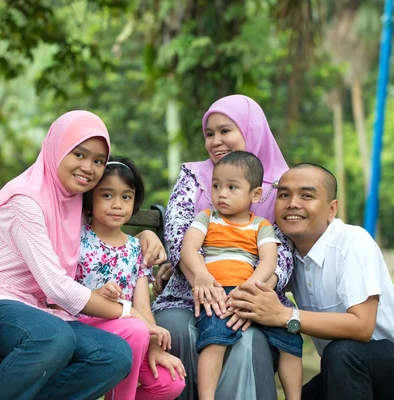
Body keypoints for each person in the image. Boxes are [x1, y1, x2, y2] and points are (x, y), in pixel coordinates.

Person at [0, 111, 167, 400]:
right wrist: (129, 312)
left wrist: (144, 236)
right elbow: (55, 286)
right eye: (79, 154)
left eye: (98, 161)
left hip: (35, 312)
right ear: (57, 149)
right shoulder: (25, 201)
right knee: (52, 338)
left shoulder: (71, 201)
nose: (88, 167)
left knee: (113, 354)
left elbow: (105, 236)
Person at [228, 163, 394, 400]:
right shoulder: (285, 255)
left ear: (331, 209)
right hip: (346, 367)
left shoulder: (352, 242)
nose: (293, 203)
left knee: (342, 352)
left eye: (307, 195)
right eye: (284, 194)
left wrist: (284, 316)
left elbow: (362, 327)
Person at [152, 94, 293, 400]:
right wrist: (202, 279)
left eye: (225, 130)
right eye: (209, 133)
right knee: (175, 328)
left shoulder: (281, 185)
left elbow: (282, 254)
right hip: (187, 293)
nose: (216, 141)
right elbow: (178, 234)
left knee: (249, 339)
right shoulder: (193, 175)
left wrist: (249, 296)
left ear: (250, 130)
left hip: (252, 296)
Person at [181, 151, 303, 400]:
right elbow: (188, 248)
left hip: (253, 290)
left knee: (290, 340)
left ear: (255, 194)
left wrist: (251, 286)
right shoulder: (207, 218)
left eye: (232, 187)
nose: (221, 193)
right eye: (216, 186)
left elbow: (269, 260)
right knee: (214, 340)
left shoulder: (261, 225)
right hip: (218, 292)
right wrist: (202, 274)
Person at [75, 156, 186, 400]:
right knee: (135, 329)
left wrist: (155, 346)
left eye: (126, 196)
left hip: (132, 333)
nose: (117, 205)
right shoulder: (77, 239)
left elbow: (143, 307)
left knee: (170, 382)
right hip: (81, 328)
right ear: (89, 197)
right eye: (106, 195)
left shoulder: (136, 249)